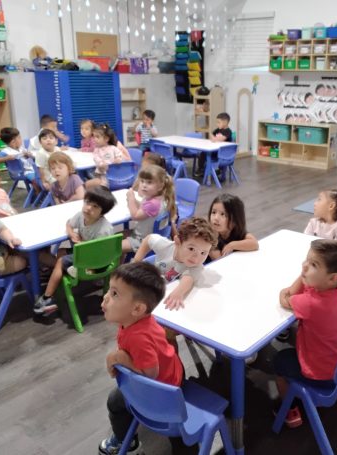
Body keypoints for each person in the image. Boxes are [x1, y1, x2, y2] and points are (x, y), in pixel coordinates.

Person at [99, 262, 183, 455]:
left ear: (137, 309)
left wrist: (119, 357)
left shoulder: (139, 337)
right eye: (110, 290)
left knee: (114, 402)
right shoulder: (133, 321)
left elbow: (150, 374)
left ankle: (127, 444)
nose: (105, 297)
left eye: (114, 294)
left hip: (162, 392)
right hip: (171, 375)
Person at [273, 239, 337, 428]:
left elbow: (286, 297)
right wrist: (307, 273)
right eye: (306, 260)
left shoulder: (310, 304)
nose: (304, 266)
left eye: (314, 265)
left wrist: (288, 289)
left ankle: (289, 409)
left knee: (279, 360)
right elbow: (304, 289)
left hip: (321, 375)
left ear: (332, 278)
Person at [34, 186, 116, 314]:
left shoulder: (104, 229)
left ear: (102, 213)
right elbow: (69, 224)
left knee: (60, 261)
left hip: (97, 264)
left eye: (95, 206)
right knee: (61, 252)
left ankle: (47, 298)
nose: (88, 208)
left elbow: (99, 254)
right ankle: (61, 276)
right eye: (87, 202)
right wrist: (71, 233)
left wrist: (82, 245)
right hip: (85, 253)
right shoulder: (80, 216)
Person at [133, 217, 217, 310]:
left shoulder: (195, 266)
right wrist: (136, 262)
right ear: (178, 242)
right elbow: (149, 239)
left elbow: (188, 279)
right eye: (191, 249)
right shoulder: (165, 246)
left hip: (160, 295)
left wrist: (178, 292)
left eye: (203, 253)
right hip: (148, 287)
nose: (196, 257)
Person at [122, 164, 176, 255]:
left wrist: (131, 198)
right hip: (149, 235)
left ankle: (119, 262)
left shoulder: (153, 204)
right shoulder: (160, 197)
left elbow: (135, 216)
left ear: (160, 186)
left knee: (114, 245)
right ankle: (122, 259)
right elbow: (143, 208)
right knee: (118, 236)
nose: (144, 185)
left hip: (143, 240)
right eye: (142, 181)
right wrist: (134, 201)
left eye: (149, 182)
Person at [207, 193, 258, 261]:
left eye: (222, 214)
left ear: (235, 220)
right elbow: (220, 261)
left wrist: (232, 245)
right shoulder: (209, 236)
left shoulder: (236, 232)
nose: (216, 218)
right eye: (213, 212)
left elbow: (254, 244)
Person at [86, 123, 132, 189]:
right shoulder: (96, 150)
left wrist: (118, 159)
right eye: (94, 137)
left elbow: (120, 155)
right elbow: (96, 158)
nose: (95, 139)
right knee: (102, 185)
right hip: (102, 174)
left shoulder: (113, 148)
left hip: (114, 173)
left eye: (97, 137)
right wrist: (101, 164)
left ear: (106, 139)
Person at [197, 112, 233, 177]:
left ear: (225, 122)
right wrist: (213, 137)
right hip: (216, 151)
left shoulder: (228, 131)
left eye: (219, 122)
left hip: (223, 154)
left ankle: (207, 170)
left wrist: (213, 137)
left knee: (205, 154)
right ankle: (201, 169)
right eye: (217, 122)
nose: (217, 124)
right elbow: (212, 137)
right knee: (203, 153)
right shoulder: (218, 130)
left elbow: (220, 139)